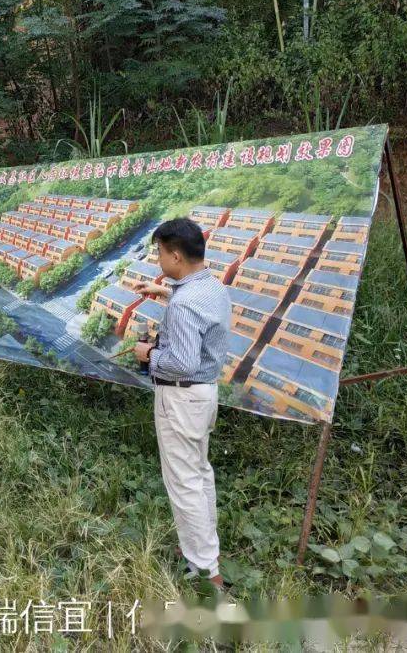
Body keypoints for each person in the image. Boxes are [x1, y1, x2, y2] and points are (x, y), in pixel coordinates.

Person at [131, 218, 231, 591]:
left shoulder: (185, 305)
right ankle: (201, 550)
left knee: (184, 482)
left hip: (181, 394)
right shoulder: (211, 287)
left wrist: (148, 355)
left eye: (158, 252)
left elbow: (182, 362)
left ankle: (207, 573)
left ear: (175, 255)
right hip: (202, 396)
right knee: (199, 474)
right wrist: (165, 293)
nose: (157, 259)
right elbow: (193, 306)